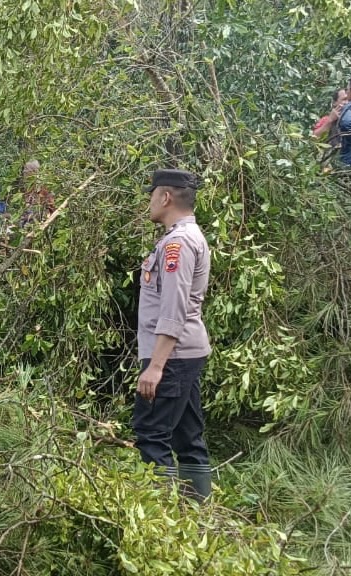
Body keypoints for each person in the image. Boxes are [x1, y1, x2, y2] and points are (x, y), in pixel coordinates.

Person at [134, 168, 212, 502]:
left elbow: (174, 309)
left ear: (165, 197)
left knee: (152, 434)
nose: (149, 203)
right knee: (187, 435)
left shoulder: (177, 243)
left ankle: (162, 518)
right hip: (185, 354)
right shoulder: (187, 237)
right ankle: (198, 508)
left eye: (152, 196)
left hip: (172, 357)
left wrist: (155, 367)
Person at [18, 160, 56, 226]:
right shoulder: (28, 189)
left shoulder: (45, 188)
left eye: (27, 172)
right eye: (24, 172)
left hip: (41, 221)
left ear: (33, 172)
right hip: (30, 220)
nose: (24, 174)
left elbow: (51, 209)